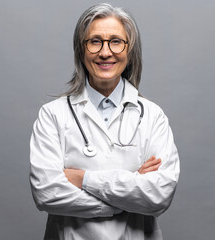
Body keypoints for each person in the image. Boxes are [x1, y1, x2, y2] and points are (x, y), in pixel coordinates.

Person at [30, 3, 180, 239]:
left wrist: (83, 179)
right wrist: (129, 191)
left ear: (130, 51)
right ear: (81, 49)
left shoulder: (153, 116)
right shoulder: (52, 115)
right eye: (95, 41)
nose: (105, 52)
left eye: (116, 41)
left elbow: (159, 196)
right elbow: (46, 193)